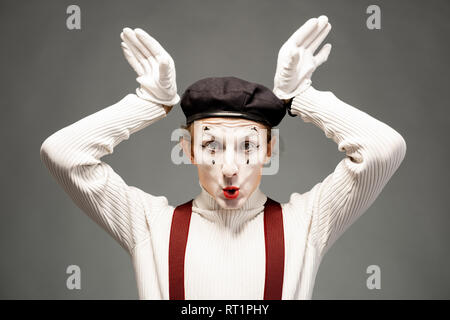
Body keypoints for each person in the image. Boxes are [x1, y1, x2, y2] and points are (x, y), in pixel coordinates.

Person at [40, 16, 407, 299]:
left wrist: (302, 98)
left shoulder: (307, 224)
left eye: (247, 146)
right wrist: (148, 104)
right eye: (211, 145)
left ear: (268, 150)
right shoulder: (150, 226)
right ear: (187, 150)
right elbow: (64, 154)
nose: (230, 168)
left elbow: (383, 149)